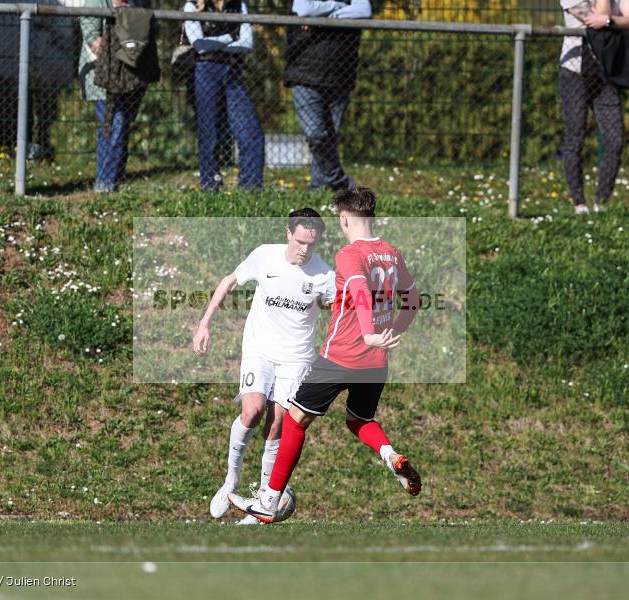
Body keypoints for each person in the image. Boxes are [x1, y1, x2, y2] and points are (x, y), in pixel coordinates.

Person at [228, 188, 422, 524]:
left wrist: (367, 332)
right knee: (358, 419)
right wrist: (392, 333)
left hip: (342, 356)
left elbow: (360, 291)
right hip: (376, 363)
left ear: (345, 219)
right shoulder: (392, 253)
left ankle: (268, 502)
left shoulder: (349, 254)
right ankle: (390, 455)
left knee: (294, 420)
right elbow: (414, 299)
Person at [193, 208, 336, 525]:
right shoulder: (264, 257)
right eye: (299, 241)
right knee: (252, 411)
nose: (304, 250)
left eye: (311, 245)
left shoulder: (325, 276)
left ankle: (262, 503)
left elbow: (341, 311)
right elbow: (228, 282)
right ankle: (230, 480)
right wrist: (204, 324)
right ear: (288, 234)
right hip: (259, 349)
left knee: (277, 425)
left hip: (296, 358)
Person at [559, 0, 629, 214]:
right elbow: (595, 21)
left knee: (615, 138)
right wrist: (611, 19)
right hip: (574, 71)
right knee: (574, 138)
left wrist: (608, 19)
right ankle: (579, 203)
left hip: (605, 73)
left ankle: (601, 203)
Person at [286, 0, 372, 191]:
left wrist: (326, 15)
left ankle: (318, 188)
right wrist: (339, 7)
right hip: (305, 72)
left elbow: (364, 10)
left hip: (341, 72)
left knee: (329, 137)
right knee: (316, 135)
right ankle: (340, 181)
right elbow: (304, 8)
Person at [184, 0, 264, 190]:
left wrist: (218, 44)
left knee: (251, 132)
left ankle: (250, 188)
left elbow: (247, 43)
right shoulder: (192, 6)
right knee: (209, 132)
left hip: (233, 70)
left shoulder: (238, 5)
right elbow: (200, 44)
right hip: (205, 71)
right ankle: (210, 185)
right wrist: (230, 37)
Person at [79, 0, 147, 192]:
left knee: (120, 126)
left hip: (128, 79)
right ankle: (105, 185)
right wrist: (124, 55)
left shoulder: (133, 5)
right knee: (114, 125)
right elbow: (92, 39)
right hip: (101, 78)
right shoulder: (96, 2)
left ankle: (112, 181)